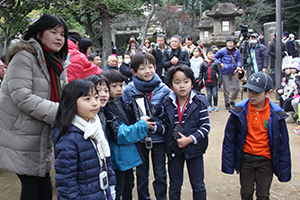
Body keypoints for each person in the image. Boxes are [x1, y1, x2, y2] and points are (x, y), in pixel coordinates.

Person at [0, 14, 69, 200]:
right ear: (38, 33)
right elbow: (22, 96)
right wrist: (62, 113)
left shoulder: (56, 62)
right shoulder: (24, 57)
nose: (59, 38)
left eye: (62, 34)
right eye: (53, 32)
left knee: (43, 184)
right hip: (21, 135)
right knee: (33, 186)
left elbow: (66, 95)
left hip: (42, 134)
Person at [222, 72, 291, 200]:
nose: (252, 95)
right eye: (249, 91)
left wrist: (284, 170)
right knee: (246, 193)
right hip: (246, 159)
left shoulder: (276, 114)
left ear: (268, 93)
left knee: (263, 195)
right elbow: (230, 138)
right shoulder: (239, 111)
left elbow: (283, 143)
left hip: (266, 160)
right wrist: (228, 163)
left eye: (257, 92)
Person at [51, 79, 116, 199]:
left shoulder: (96, 126)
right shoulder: (68, 140)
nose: (95, 103)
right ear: (71, 103)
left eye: (96, 97)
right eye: (87, 99)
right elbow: (67, 183)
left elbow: (107, 162)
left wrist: (111, 186)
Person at [122, 51, 171, 200]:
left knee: (160, 173)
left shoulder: (164, 89)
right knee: (142, 174)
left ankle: (161, 197)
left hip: (159, 139)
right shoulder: (129, 89)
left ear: (155, 67)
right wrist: (132, 112)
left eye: (150, 67)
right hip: (139, 139)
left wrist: (159, 112)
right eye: (142, 68)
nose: (147, 71)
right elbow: (124, 113)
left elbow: (169, 116)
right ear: (134, 71)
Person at [101, 69, 155, 200]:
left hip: (127, 157)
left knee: (128, 186)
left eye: (121, 85)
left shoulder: (121, 102)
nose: (119, 89)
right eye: (114, 86)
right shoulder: (106, 108)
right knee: (118, 189)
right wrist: (142, 125)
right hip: (118, 158)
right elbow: (120, 134)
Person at [163, 65, 209, 199]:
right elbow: (165, 126)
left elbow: (205, 127)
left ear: (192, 83)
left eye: (186, 81)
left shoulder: (199, 102)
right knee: (174, 185)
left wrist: (190, 139)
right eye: (177, 82)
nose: (182, 86)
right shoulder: (167, 103)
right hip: (174, 150)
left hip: (195, 150)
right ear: (171, 85)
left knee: (198, 185)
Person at [214, 36, 242, 110]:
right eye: (228, 43)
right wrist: (220, 63)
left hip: (234, 71)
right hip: (225, 72)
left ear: (234, 43)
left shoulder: (237, 51)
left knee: (237, 88)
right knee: (226, 89)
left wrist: (239, 66)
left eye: (231, 43)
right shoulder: (222, 51)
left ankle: (232, 100)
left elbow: (239, 59)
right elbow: (215, 57)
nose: (230, 44)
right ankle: (227, 103)